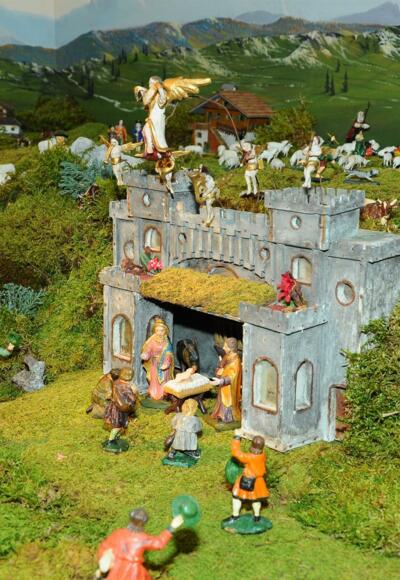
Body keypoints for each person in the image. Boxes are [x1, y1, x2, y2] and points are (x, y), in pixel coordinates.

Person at [96, 508, 184, 580]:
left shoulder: (119, 533)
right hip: (134, 571)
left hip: (118, 567)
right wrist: (171, 527)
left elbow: (105, 546)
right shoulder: (142, 539)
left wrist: (103, 559)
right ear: (144, 522)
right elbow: (159, 543)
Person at [223, 432, 269, 525]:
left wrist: (236, 439)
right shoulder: (263, 455)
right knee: (256, 499)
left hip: (247, 480)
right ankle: (257, 517)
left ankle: (235, 516)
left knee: (236, 497)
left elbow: (236, 453)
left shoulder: (249, 457)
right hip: (259, 482)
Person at [103, 368, 138, 450]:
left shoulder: (116, 382)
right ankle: (111, 440)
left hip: (114, 406)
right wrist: (134, 393)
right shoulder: (126, 387)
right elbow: (132, 399)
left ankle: (115, 437)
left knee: (118, 424)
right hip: (121, 409)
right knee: (118, 425)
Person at [210, 337, 242, 423]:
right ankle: (220, 414)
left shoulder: (236, 361)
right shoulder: (227, 356)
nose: (223, 348)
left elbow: (232, 377)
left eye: (225, 346)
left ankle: (227, 417)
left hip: (229, 388)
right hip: (223, 386)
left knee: (227, 402)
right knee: (221, 400)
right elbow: (221, 366)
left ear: (231, 349)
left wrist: (220, 381)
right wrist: (219, 370)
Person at [141, 319, 174, 400]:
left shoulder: (167, 343)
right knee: (154, 379)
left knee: (163, 379)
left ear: (165, 331)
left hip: (163, 364)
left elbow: (169, 354)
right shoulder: (151, 341)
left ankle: (164, 394)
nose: (159, 333)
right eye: (157, 330)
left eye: (161, 330)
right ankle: (153, 393)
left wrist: (166, 363)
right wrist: (146, 355)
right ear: (155, 331)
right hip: (155, 363)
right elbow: (148, 350)